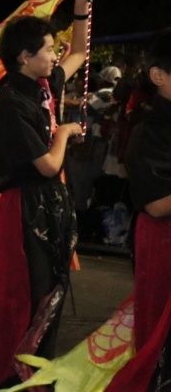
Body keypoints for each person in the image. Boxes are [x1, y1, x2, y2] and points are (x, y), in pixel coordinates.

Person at [0, 0, 93, 390]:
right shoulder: (13, 102)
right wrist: (65, 132)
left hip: (48, 205)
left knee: (51, 297)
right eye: (47, 49)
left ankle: (36, 379)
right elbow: (46, 165)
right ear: (25, 57)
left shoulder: (43, 85)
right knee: (27, 299)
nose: (55, 54)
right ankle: (9, 380)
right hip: (24, 209)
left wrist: (81, 5)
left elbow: (79, 51)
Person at [107, 31, 171, 389]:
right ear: (158, 75)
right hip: (163, 244)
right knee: (160, 351)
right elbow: (157, 205)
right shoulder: (149, 132)